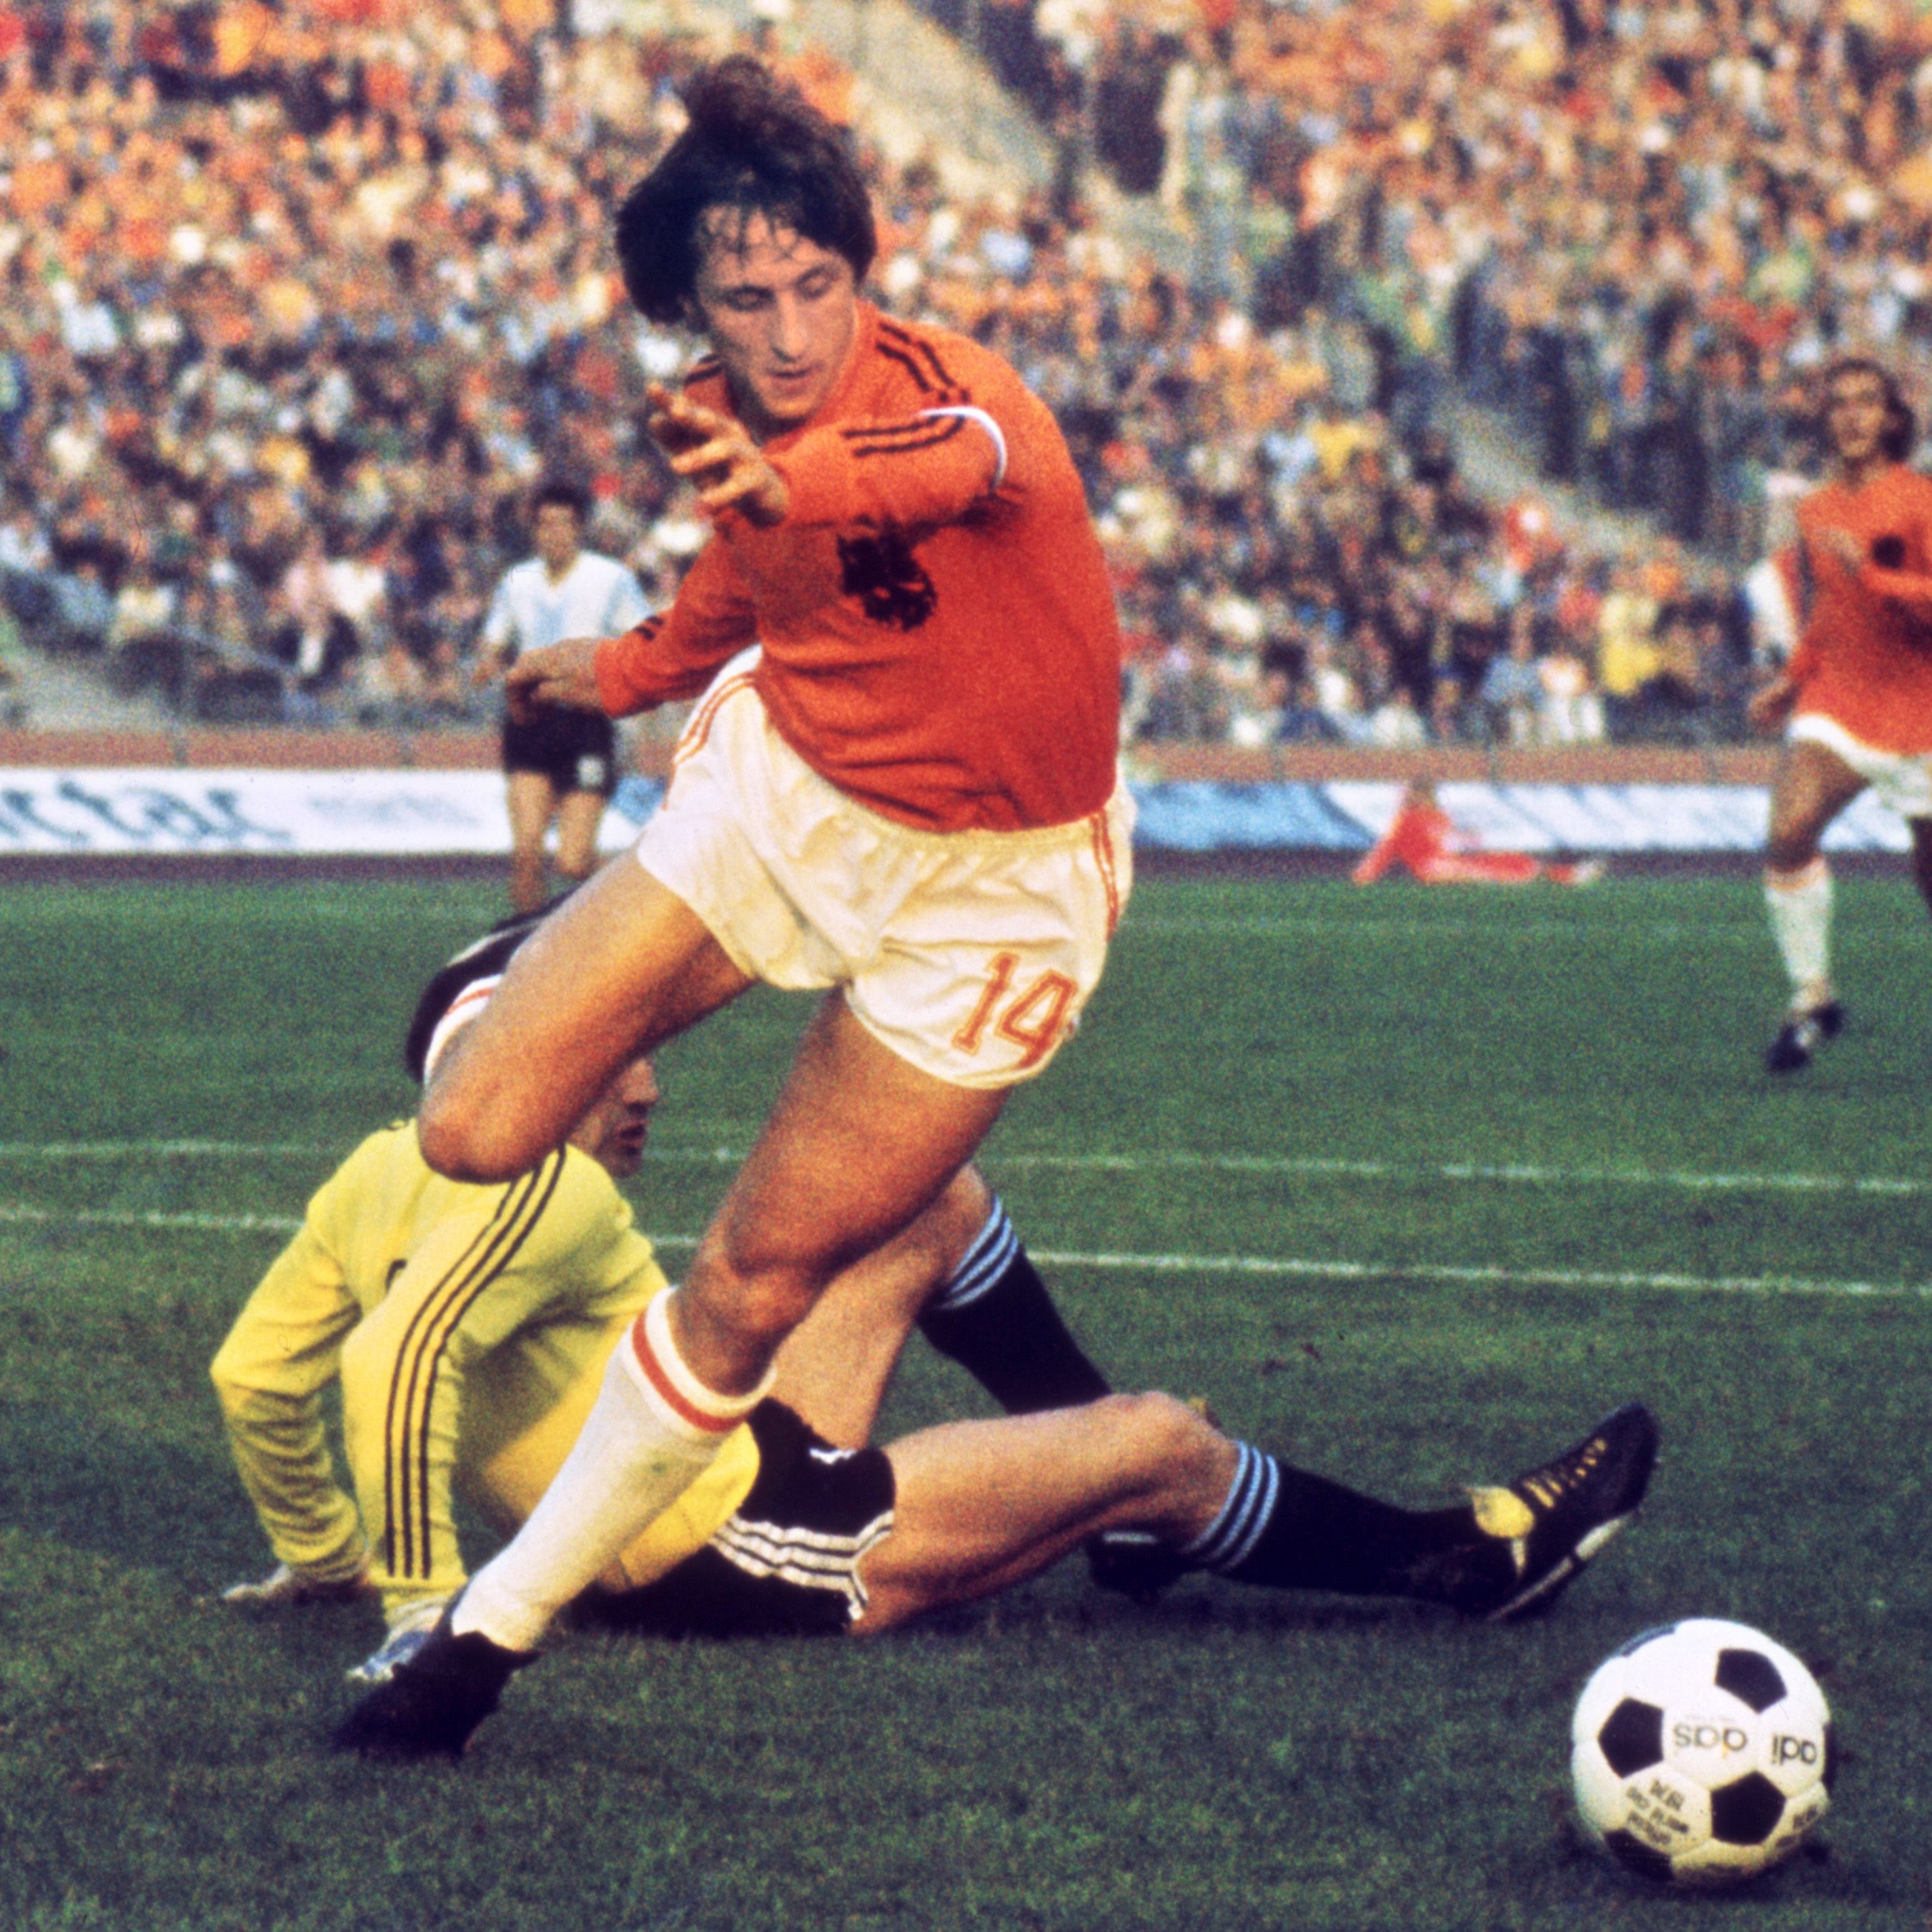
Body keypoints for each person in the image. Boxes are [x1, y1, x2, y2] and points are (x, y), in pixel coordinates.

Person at [351, 54, 1134, 1750]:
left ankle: (486, 1635)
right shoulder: (719, 414)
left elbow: (929, 474)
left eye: (818, 286)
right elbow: (745, 580)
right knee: (471, 1127)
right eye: (745, 301)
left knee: (750, 1283)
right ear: (689, 310)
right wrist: (627, 668)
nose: (790, 334)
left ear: (865, 271)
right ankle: (559, 957)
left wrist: (802, 481)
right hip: (790, 796)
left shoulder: (966, 396)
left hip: (991, 897)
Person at [222, 931, 1659, 1753]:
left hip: (709, 1463)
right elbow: (389, 1360)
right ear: (523, 1065)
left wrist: (319, 1551)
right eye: (610, 1053)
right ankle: (1462, 1562)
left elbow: (257, 1375)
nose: (646, 1082)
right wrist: (415, 1605)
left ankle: (1128, 1524)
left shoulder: (370, 1172)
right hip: (742, 1546)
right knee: (1162, 1440)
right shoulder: (550, 1180)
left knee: (922, 1195)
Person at [1746, 357, 1932, 1073]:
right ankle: (1811, 997)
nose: (1852, 414)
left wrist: (1876, 576)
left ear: (1891, 418)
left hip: (1919, 708)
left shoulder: (1918, 500)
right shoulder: (1815, 510)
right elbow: (1829, 609)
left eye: (1866, 401)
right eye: (1839, 403)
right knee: (1788, 829)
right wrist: (1791, 679)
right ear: (1824, 419)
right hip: (1842, 698)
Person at [476, 479, 651, 911]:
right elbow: (494, 640)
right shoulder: (517, 580)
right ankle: (528, 947)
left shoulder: (610, 578)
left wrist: (633, 703)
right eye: (545, 524)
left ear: (580, 528)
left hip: (586, 722)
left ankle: (629, 904)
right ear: (534, 530)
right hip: (531, 721)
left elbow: (645, 636)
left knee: (573, 861)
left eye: (564, 524)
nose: (554, 533)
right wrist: (487, 665)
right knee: (526, 854)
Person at [1350, 781, 1603, 886]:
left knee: (1508, 859)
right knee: (1493, 871)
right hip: (1434, 868)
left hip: (1450, 862)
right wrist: (1365, 874)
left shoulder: (1439, 816)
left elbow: (1453, 842)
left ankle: (1565, 874)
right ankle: (1564, 876)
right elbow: (1386, 849)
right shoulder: (1405, 819)